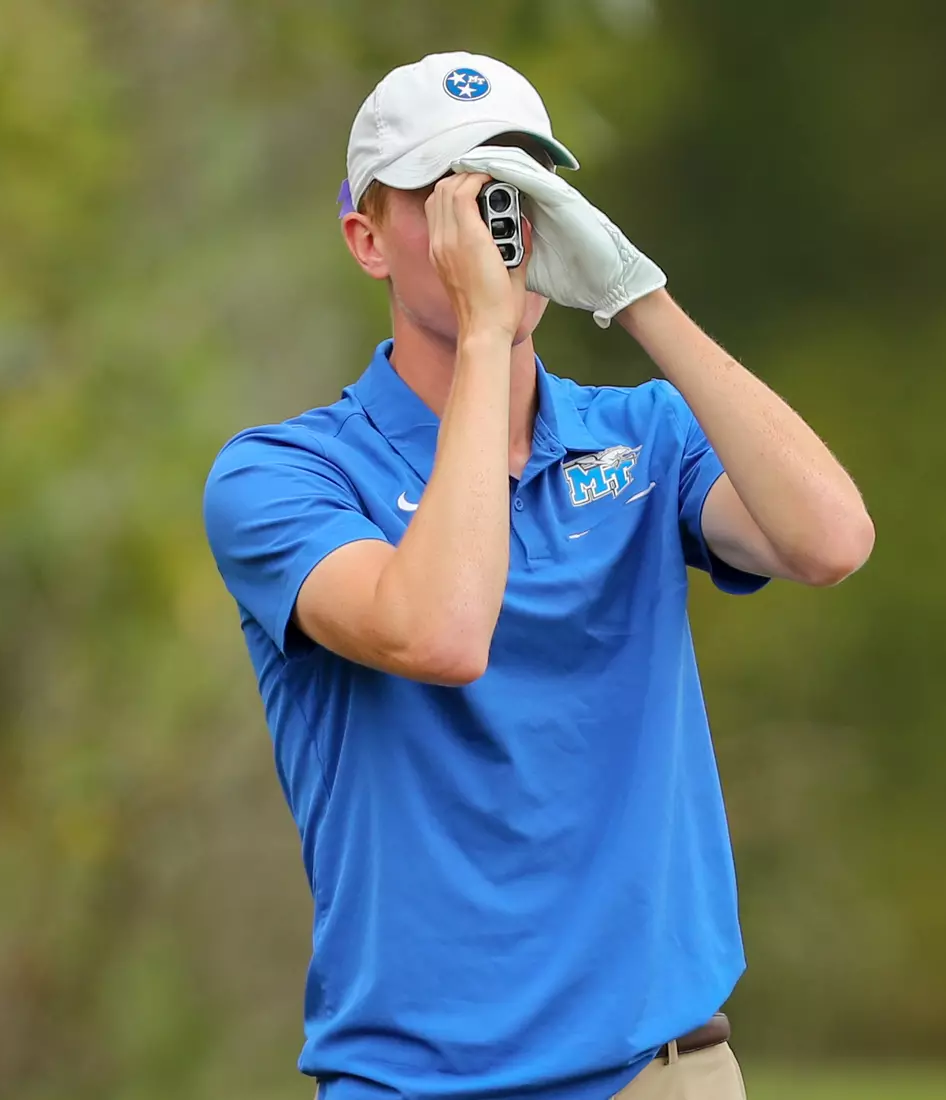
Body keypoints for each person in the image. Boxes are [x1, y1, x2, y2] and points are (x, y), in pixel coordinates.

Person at [202, 50, 873, 1100]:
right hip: (422, 1081)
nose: (490, 232)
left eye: (514, 190)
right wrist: (482, 337)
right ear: (366, 240)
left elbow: (830, 539)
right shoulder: (285, 474)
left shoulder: (642, 434)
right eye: (447, 197)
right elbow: (442, 631)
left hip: (665, 1070)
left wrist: (634, 294)